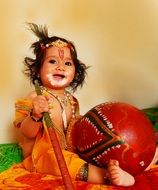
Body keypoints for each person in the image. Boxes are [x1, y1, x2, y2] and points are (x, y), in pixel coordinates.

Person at [15, 22, 155, 187]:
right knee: (65, 162)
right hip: (44, 155)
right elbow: (27, 133)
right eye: (52, 61)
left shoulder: (72, 100)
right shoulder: (35, 97)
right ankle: (107, 176)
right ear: (38, 69)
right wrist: (35, 115)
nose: (61, 66)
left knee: (103, 148)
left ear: (75, 72)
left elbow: (75, 128)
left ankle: (131, 165)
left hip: (72, 149)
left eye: (68, 63)